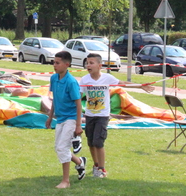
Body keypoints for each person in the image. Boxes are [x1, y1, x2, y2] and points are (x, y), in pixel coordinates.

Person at [80, 53, 154, 178]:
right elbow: (77, 95)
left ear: (100, 65)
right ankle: (96, 165)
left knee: (99, 142)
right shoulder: (84, 80)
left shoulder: (108, 78)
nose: (88, 65)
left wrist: (140, 86)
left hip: (102, 116)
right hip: (89, 115)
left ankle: (102, 169)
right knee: (91, 142)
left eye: (91, 63)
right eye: (87, 63)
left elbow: (123, 83)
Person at [45, 51, 86, 188]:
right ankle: (80, 162)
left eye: (57, 63)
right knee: (59, 148)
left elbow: (78, 104)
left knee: (63, 147)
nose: (54, 65)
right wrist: (50, 117)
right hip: (60, 118)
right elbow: (55, 99)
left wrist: (78, 125)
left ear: (66, 64)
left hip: (71, 118)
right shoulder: (54, 78)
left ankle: (66, 181)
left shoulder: (71, 82)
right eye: (54, 62)